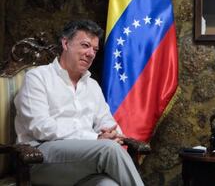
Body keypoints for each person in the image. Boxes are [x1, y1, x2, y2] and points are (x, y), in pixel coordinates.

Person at [14, 20, 144, 185]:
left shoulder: (92, 85)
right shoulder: (37, 78)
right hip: (38, 159)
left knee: (108, 184)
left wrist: (113, 134)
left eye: (94, 49)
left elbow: (105, 119)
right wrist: (95, 138)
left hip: (81, 163)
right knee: (109, 150)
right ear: (66, 43)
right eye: (85, 45)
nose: (90, 53)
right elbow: (40, 127)